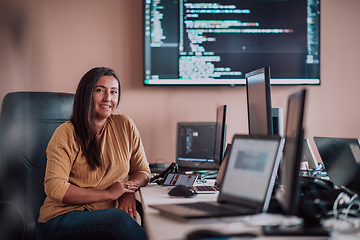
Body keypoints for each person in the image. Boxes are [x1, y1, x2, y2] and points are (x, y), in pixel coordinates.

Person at [35, 67, 151, 240]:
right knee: (117, 220)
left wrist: (127, 191)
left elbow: (143, 171)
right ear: (86, 94)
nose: (108, 98)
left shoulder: (125, 125)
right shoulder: (65, 133)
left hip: (106, 214)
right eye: (100, 91)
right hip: (60, 219)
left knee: (148, 214)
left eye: (113, 92)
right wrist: (109, 194)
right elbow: (55, 188)